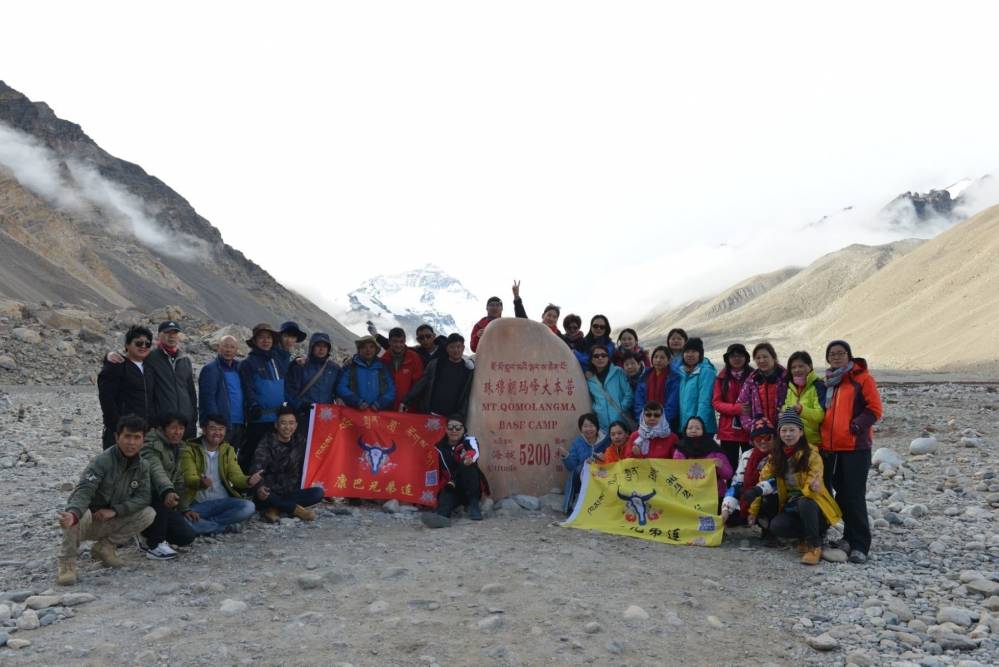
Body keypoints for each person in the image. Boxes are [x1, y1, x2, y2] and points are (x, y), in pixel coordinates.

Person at [56, 415, 158, 585]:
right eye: (127, 436)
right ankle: (67, 563)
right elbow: (83, 491)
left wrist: (115, 511)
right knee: (77, 514)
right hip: (89, 521)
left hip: (111, 518)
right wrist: (73, 514)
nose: (131, 443)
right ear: (117, 437)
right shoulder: (102, 461)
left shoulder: (143, 466)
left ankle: (105, 548)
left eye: (137, 437)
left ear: (143, 440)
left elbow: (144, 497)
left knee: (148, 513)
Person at [744, 410, 843, 566]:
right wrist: (754, 508)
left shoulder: (811, 454)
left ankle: (815, 545)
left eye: (792, 430)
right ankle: (803, 536)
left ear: (801, 432)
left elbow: (815, 476)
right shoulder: (776, 456)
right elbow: (766, 481)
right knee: (777, 526)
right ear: (779, 433)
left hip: (813, 505)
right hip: (792, 505)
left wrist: (812, 486)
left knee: (805, 502)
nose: (788, 434)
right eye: (784, 430)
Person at [820, 340, 883, 565]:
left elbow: (874, 409)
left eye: (841, 353)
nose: (836, 357)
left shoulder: (862, 379)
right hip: (832, 448)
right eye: (832, 354)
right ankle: (848, 537)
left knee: (854, 495)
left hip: (855, 447)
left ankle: (860, 545)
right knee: (841, 494)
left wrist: (855, 426)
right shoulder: (829, 381)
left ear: (849, 356)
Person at [180, 414, 260, 535]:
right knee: (182, 519)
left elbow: (235, 475)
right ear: (204, 430)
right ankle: (223, 528)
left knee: (249, 507)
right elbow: (188, 477)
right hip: (199, 503)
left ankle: (207, 525)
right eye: (213, 428)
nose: (217, 433)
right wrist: (201, 483)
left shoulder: (227, 450)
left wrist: (248, 480)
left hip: (223, 501)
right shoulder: (189, 449)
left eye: (221, 429)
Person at [250, 406, 324, 522]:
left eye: (291, 423)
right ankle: (297, 510)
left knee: (318, 493)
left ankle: (275, 509)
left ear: (296, 425)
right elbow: (256, 468)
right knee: (265, 496)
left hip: (289, 492)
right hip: (269, 492)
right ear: (276, 425)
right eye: (283, 423)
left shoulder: (300, 441)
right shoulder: (266, 442)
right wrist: (259, 486)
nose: (287, 427)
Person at [139, 413, 197, 559]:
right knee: (160, 496)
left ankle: (147, 533)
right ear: (162, 429)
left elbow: (178, 480)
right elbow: (156, 470)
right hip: (145, 496)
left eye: (181, 428)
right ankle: (154, 544)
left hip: (165, 498)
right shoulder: (150, 445)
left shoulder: (178, 447)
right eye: (173, 428)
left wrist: (184, 508)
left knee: (186, 536)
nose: (178, 432)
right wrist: (167, 490)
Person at [421, 415, 490, 528]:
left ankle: (473, 504)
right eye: (450, 427)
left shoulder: (469, 441)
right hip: (452, 485)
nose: (454, 431)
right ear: (446, 429)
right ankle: (441, 517)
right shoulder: (439, 447)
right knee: (445, 498)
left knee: (467, 466)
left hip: (470, 485)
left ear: (463, 430)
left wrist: (469, 458)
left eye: (458, 428)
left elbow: (474, 452)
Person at [98, 325, 155, 449]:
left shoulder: (150, 368)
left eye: (147, 344)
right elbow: (106, 399)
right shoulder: (116, 365)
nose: (143, 346)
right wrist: (116, 427)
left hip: (144, 432)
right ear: (127, 345)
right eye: (138, 343)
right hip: (123, 432)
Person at [238, 323, 286, 471]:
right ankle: (244, 482)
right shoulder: (248, 363)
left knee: (273, 454)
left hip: (276, 418)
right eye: (261, 337)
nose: (266, 341)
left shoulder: (277, 361)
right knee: (251, 452)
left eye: (269, 337)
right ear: (254, 341)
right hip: (258, 418)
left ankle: (267, 482)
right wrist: (253, 405)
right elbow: (247, 387)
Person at [147, 321, 199, 439]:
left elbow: (191, 392)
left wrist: (193, 417)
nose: (171, 336)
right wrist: (154, 421)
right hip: (164, 424)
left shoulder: (185, 359)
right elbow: (148, 393)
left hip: (185, 423)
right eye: (167, 333)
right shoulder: (151, 358)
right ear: (159, 335)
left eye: (175, 333)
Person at [401, 333, 474, 417]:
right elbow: (421, 384)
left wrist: (459, 416)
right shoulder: (436, 364)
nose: (456, 350)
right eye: (452, 347)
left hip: (451, 419)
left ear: (463, 348)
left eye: (458, 347)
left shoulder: (467, 370)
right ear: (447, 348)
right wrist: (406, 401)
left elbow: (465, 396)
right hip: (429, 413)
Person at [197, 335, 245, 450]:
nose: (228, 350)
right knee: (218, 456)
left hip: (239, 423)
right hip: (221, 425)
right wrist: (215, 423)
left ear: (236, 350)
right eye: (225, 346)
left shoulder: (239, 368)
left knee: (233, 457)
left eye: (232, 347)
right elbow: (207, 399)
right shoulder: (211, 369)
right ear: (218, 348)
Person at [556, 413, 609, 514]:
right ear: (581, 428)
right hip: (583, 481)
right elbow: (573, 467)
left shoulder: (606, 440)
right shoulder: (577, 443)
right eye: (585, 426)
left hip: (602, 476)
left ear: (597, 427)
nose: (588, 429)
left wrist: (601, 459)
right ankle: (574, 502)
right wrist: (566, 456)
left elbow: (612, 458)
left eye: (591, 426)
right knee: (579, 470)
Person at [286, 332, 341, 426]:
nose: (321, 349)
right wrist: (300, 406)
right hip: (303, 414)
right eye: (318, 345)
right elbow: (290, 391)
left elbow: (339, 390)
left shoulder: (334, 368)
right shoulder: (301, 366)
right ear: (312, 347)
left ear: (328, 349)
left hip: (325, 415)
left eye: (325, 346)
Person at [712, 343, 753, 472]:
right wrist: (737, 409)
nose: (736, 358)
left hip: (749, 428)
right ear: (727, 359)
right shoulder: (721, 378)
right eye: (733, 356)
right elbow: (716, 402)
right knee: (729, 466)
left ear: (746, 358)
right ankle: (731, 486)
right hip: (728, 430)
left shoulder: (754, 376)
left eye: (740, 355)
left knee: (750, 465)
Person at [672, 416, 733, 501]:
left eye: (698, 428)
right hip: (687, 495)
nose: (693, 430)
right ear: (685, 430)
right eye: (690, 428)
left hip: (714, 495)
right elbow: (675, 473)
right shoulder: (680, 450)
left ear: (703, 431)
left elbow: (728, 474)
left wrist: (721, 466)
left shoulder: (713, 448)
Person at [335, 335, 396, 411]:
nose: (368, 350)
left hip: (378, 414)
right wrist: (357, 402)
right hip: (354, 412)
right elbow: (341, 387)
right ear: (359, 350)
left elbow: (391, 390)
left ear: (376, 350)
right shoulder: (350, 367)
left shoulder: (382, 368)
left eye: (371, 347)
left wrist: (380, 403)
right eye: (364, 347)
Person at [738, 342, 788, 426]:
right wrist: (752, 426)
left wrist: (787, 425)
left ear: (773, 357)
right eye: (758, 358)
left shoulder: (786, 378)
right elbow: (742, 405)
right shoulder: (751, 380)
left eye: (765, 357)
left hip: (785, 429)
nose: (761, 360)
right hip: (760, 430)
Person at [585, 343, 633, 431]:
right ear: (591, 360)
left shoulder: (618, 372)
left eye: (603, 355)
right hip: (602, 424)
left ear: (608, 358)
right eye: (596, 356)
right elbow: (592, 399)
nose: (600, 358)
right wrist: (597, 409)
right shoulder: (590, 380)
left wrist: (621, 409)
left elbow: (628, 394)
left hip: (620, 421)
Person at [783, 351, 826, 447]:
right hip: (793, 441)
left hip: (813, 443)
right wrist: (784, 410)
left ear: (810, 366)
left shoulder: (818, 386)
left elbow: (820, 416)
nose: (797, 370)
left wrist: (802, 410)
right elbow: (786, 406)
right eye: (793, 367)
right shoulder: (791, 387)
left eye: (801, 366)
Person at [676, 337, 717, 435]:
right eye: (687, 351)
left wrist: (698, 426)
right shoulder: (682, 372)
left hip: (701, 428)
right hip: (686, 426)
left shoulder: (706, 371)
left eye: (694, 351)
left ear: (700, 354)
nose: (690, 355)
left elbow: (705, 401)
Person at [379, 328, 424, 411]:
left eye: (401, 341)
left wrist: (409, 402)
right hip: (387, 406)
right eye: (395, 341)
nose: (398, 345)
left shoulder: (414, 358)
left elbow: (418, 384)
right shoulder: (383, 360)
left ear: (405, 341)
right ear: (389, 342)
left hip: (407, 407)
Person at [634, 346, 678, 426]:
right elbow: (639, 402)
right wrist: (643, 419)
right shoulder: (644, 376)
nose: (658, 360)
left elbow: (672, 405)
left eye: (662, 358)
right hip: (645, 423)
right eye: (656, 357)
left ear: (669, 360)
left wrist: (660, 422)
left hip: (665, 423)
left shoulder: (673, 378)